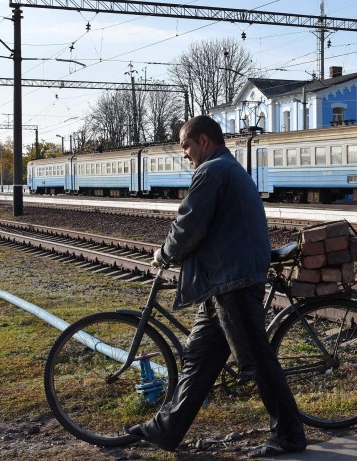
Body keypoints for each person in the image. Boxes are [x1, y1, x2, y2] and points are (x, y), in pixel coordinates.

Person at [125, 115, 307, 458]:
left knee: (256, 360)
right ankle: (166, 430)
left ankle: (289, 436)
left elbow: (189, 223)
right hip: (222, 280)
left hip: (232, 280)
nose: (184, 154)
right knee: (199, 360)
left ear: (204, 141)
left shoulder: (212, 171)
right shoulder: (225, 168)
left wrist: (165, 254)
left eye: (186, 146)